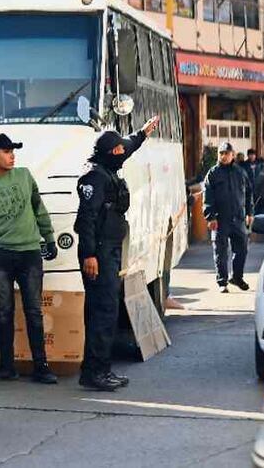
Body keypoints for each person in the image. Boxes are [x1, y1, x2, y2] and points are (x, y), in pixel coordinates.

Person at [0, 133, 58, 384]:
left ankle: (42, 366)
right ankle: (7, 366)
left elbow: (38, 207)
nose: (12, 155)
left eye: (13, 151)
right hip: (0, 256)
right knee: (4, 312)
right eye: (6, 151)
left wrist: (48, 238)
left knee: (34, 311)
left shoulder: (25, 175)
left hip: (29, 253)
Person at [74, 116, 159, 392]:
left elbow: (128, 146)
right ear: (109, 153)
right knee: (104, 311)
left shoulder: (109, 166)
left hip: (109, 250)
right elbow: (86, 220)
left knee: (104, 310)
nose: (123, 153)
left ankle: (95, 369)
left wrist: (143, 133)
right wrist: (89, 255)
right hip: (97, 253)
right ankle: (97, 372)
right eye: (119, 150)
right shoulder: (94, 178)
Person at [204, 142, 254, 293]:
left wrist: (250, 213)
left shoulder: (240, 172)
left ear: (233, 154)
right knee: (220, 251)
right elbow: (208, 197)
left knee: (242, 249)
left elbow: (249, 193)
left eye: (227, 153)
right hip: (220, 219)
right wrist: (210, 217)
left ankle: (237, 277)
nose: (224, 156)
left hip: (238, 218)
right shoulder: (213, 174)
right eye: (221, 153)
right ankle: (222, 282)